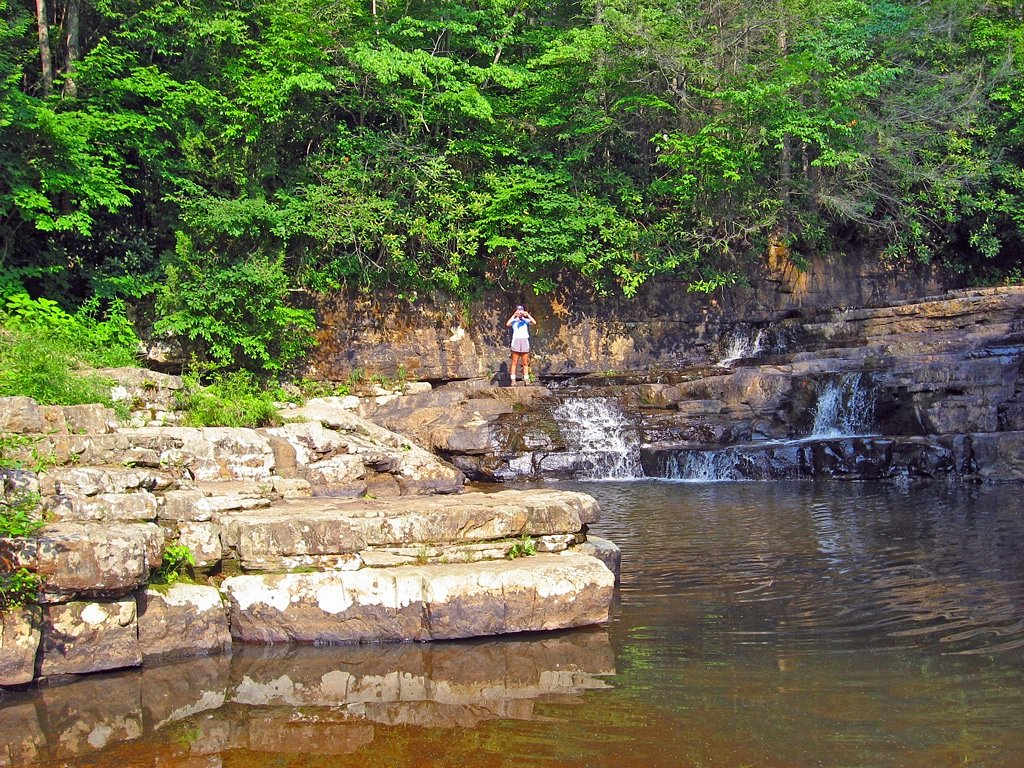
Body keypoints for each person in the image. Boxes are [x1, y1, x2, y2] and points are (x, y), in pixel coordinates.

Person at [505, 304, 536, 385]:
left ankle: (526, 379)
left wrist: (527, 315)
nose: (520, 313)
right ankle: (513, 380)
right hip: (516, 341)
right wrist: (514, 315)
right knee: (514, 362)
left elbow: (534, 322)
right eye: (518, 311)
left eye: (521, 311)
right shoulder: (514, 320)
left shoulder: (525, 321)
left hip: (524, 340)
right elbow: (507, 324)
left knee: (525, 362)